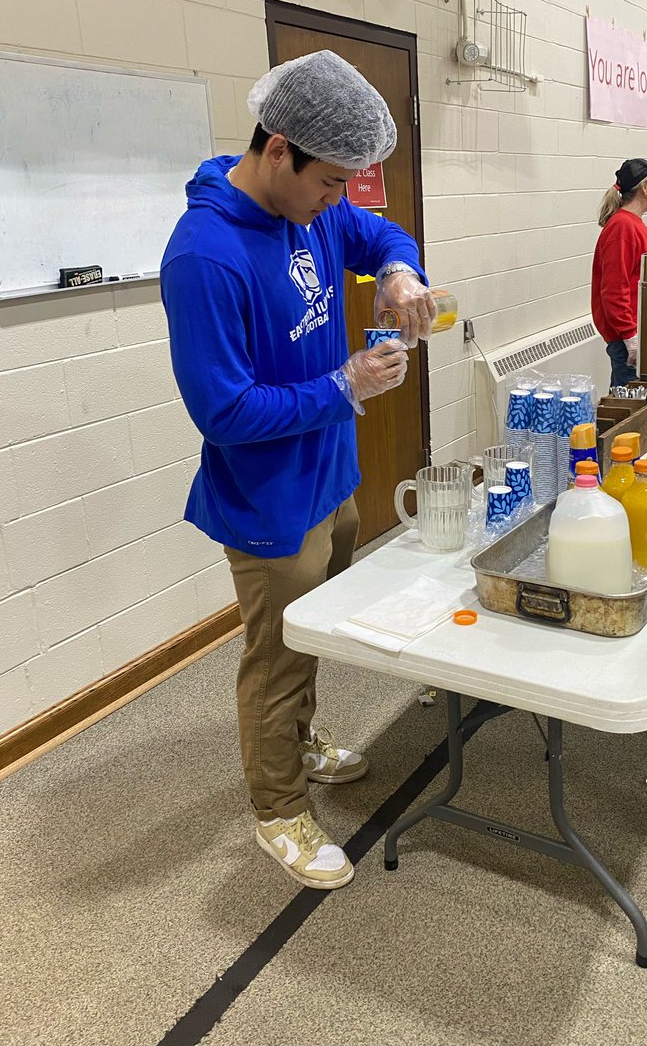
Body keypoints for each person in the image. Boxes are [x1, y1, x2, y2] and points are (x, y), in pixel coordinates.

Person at [161, 51, 436, 890]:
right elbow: (225, 413)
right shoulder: (206, 256)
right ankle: (278, 809)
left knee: (307, 640)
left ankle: (302, 743)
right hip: (268, 504)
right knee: (276, 661)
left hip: (330, 479)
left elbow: (377, 232)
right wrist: (342, 386)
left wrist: (397, 268)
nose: (338, 200)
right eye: (330, 182)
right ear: (279, 149)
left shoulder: (311, 209)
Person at [591, 157, 647, 389]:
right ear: (644, 188)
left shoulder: (633, 223)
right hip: (628, 338)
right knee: (630, 410)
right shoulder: (622, 227)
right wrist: (630, 336)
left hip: (640, 331)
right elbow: (614, 289)